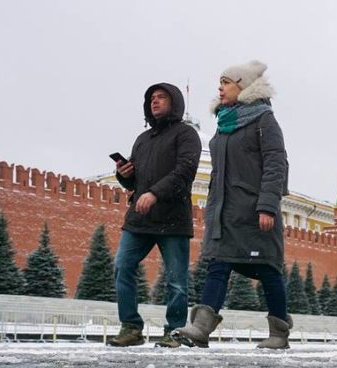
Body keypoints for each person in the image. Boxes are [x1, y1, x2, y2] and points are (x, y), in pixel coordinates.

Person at [173, 61, 291, 349]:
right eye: (220, 82)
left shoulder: (264, 120)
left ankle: (278, 333)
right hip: (226, 211)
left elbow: (277, 164)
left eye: (226, 82)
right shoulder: (225, 123)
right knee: (218, 264)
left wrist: (267, 206)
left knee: (268, 270)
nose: (220, 88)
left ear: (244, 85)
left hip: (254, 210)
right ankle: (201, 328)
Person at [108, 83, 201, 347]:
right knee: (122, 267)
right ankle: (131, 328)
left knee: (177, 281)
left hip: (172, 219)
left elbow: (184, 172)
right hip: (139, 219)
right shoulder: (142, 139)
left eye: (161, 97)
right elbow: (136, 182)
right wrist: (124, 175)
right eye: (151, 98)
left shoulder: (186, 135)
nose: (155, 101)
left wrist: (155, 193)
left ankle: (174, 331)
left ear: (175, 102)